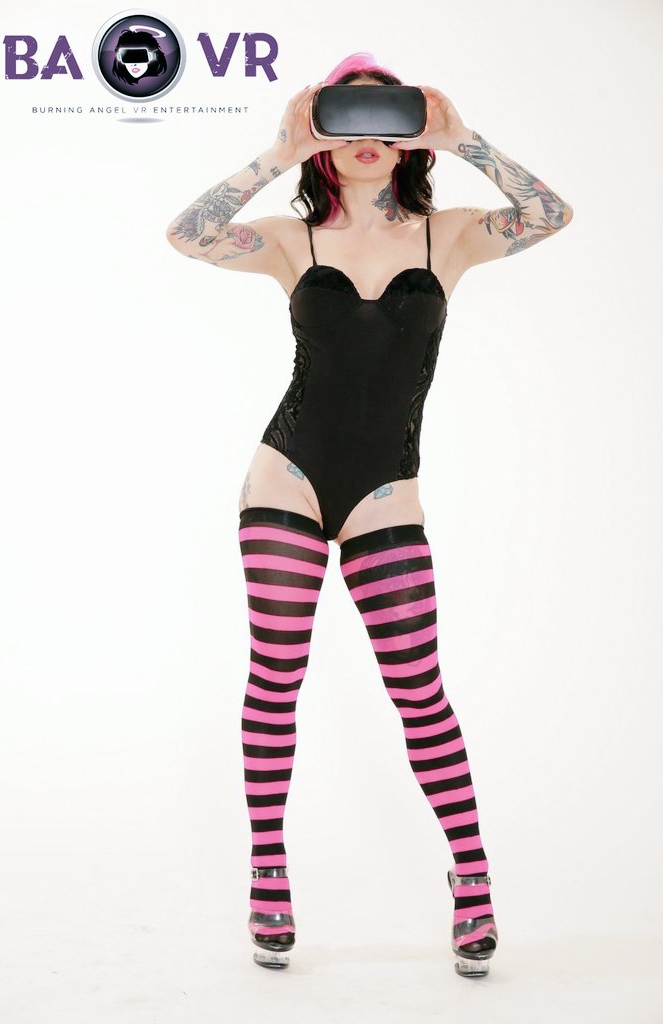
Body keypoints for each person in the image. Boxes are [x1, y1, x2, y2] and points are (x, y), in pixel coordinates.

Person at [166, 51, 573, 975]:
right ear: (322, 135)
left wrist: (463, 139)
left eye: (388, 115)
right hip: (287, 476)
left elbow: (552, 215)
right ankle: (268, 868)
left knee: (419, 689)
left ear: (411, 136)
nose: (369, 135)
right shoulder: (290, 242)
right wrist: (279, 151)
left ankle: (472, 877)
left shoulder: (450, 237)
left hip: (388, 488)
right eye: (346, 115)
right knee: (278, 674)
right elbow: (187, 235)